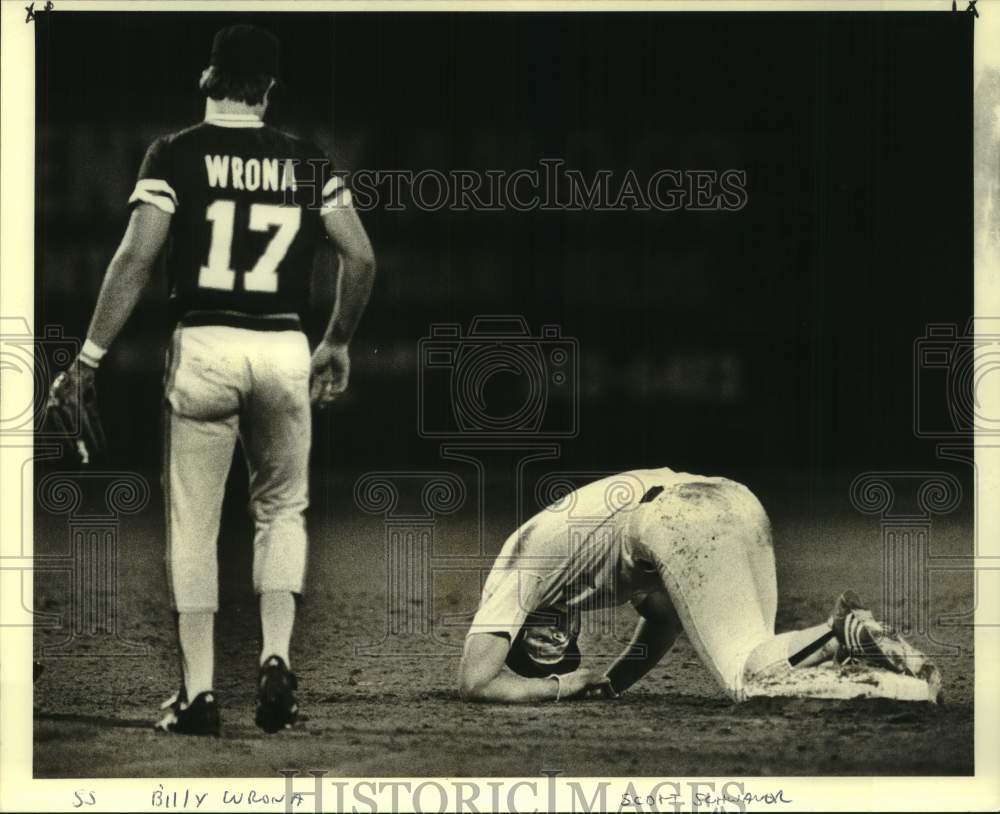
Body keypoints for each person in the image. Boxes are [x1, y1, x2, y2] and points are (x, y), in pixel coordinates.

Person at [51, 24, 376, 735]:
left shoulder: (176, 153)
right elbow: (361, 258)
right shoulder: (306, 159)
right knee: (282, 510)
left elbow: (135, 260)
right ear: (270, 90)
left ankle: (198, 694)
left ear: (208, 78)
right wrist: (337, 342)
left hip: (204, 342)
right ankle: (276, 655)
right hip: (285, 346)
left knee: (194, 526)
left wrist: (87, 360)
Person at [458, 468, 940, 703]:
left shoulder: (515, 575)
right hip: (731, 500)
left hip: (678, 517)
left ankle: (845, 631)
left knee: (749, 682)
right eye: (555, 650)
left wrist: (563, 684)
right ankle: (895, 672)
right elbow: (666, 619)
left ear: (514, 633)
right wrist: (613, 684)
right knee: (767, 657)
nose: (553, 641)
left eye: (539, 644)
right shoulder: (569, 574)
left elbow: (476, 682)